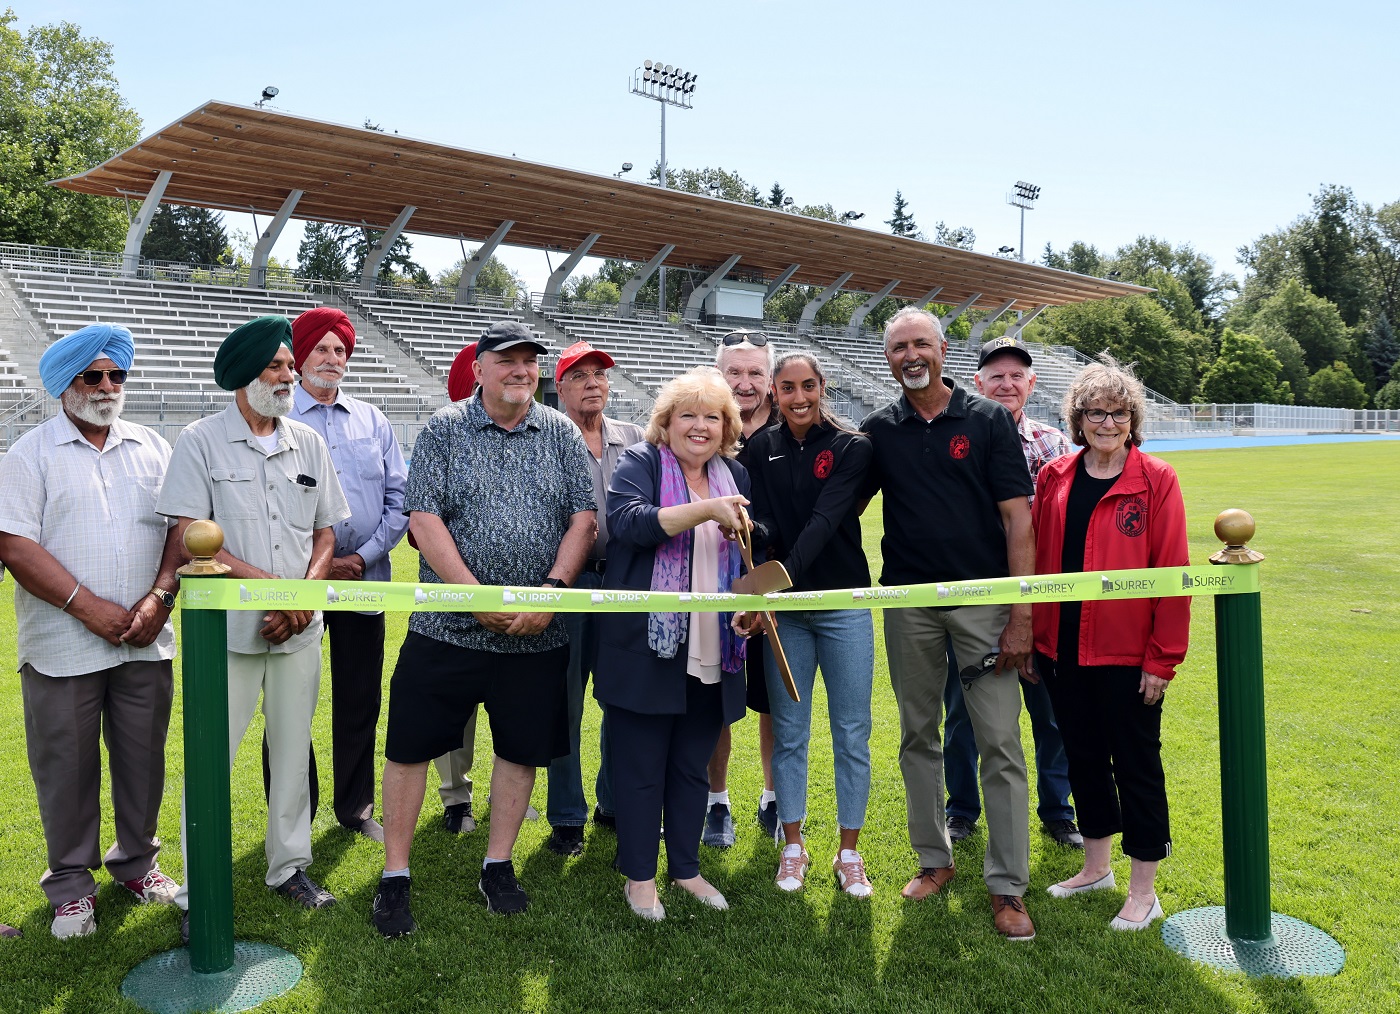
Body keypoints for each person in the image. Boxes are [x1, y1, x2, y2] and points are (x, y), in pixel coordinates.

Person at [371, 321, 595, 937]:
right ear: (478, 368)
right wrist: (471, 597)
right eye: (508, 361)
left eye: (530, 361)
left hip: (537, 633)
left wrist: (554, 595)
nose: (523, 370)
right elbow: (424, 518)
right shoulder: (445, 428)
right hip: (447, 628)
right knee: (409, 748)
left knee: (520, 751)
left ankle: (498, 864)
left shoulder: (559, 433)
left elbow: (582, 517)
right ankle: (395, 874)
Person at [157, 316, 351, 915]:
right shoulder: (199, 440)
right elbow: (190, 531)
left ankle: (288, 868)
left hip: (299, 629)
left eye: (290, 365)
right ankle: (196, 890)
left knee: (293, 753)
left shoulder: (309, 441)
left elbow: (325, 533)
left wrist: (302, 596)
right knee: (212, 756)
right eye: (277, 365)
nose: (290, 375)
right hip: (227, 632)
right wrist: (278, 591)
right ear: (245, 375)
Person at [0, 324, 183, 939]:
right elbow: (15, 545)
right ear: (64, 386)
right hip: (62, 646)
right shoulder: (29, 454)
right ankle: (72, 886)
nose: (107, 386)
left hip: (144, 637)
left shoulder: (153, 446)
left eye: (116, 375)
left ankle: (136, 863)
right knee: (66, 768)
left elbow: (181, 528)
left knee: (143, 760)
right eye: (93, 376)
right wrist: (88, 607)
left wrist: (160, 595)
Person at [861, 306, 1037, 940]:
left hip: (984, 604)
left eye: (921, 344)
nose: (911, 355)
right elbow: (837, 506)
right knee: (917, 735)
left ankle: (1008, 886)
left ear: (941, 349)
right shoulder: (879, 430)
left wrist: (1021, 614)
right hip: (909, 604)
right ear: (888, 358)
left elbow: (1019, 520)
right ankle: (934, 859)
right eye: (899, 347)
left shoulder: (987, 420)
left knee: (1000, 742)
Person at [1032, 359, 1189, 932]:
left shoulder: (1155, 479)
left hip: (1127, 655)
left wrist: (1161, 659)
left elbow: (1172, 571)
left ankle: (1143, 891)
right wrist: (1037, 638)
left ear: (1132, 419)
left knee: (1138, 764)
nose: (1106, 422)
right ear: (1078, 418)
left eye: (1117, 413)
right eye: (1095, 412)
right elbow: (1043, 564)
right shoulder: (1054, 477)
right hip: (1063, 650)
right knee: (1083, 757)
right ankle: (1095, 867)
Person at [595, 367, 756, 921]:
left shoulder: (734, 475)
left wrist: (747, 605)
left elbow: (741, 558)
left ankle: (685, 868)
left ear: (727, 426)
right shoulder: (641, 463)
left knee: (691, 765)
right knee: (640, 768)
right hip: (647, 647)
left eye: (712, 416)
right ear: (666, 422)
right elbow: (629, 524)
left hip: (715, 646)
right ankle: (639, 878)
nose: (700, 425)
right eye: (688, 414)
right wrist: (705, 510)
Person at [942, 335, 1082, 849]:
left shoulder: (1053, 446)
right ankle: (960, 810)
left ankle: (1058, 811)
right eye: (995, 376)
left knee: (1050, 711)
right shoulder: (966, 437)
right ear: (978, 382)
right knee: (961, 713)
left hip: (1037, 598)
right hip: (975, 596)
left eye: (1015, 375)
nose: (1006, 383)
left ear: (1032, 382)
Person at [745, 352, 876, 897]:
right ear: (775, 392)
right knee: (791, 732)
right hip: (787, 616)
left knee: (851, 732)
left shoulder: (852, 447)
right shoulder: (759, 447)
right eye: (788, 388)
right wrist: (749, 529)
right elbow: (768, 520)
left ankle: (849, 852)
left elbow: (828, 519)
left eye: (808, 386)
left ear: (823, 387)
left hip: (843, 604)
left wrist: (780, 575)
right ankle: (793, 847)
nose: (799, 398)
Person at [280, 307, 409, 843]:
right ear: (300, 356)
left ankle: (354, 808)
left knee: (359, 698)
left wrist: (361, 556)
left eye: (340, 351)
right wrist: (314, 563)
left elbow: (399, 501)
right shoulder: (277, 415)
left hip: (363, 578)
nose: (332, 359)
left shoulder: (373, 420)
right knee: (292, 700)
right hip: (294, 581)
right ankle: (294, 812)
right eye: (321, 349)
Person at [544, 341, 645, 855]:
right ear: (559, 387)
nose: (592, 383)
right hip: (571, 580)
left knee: (620, 696)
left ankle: (612, 801)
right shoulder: (545, 438)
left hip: (627, 582)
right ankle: (565, 814)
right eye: (579, 375)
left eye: (600, 375)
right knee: (566, 699)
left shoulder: (635, 438)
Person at [705, 330, 779, 847]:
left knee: (772, 698)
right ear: (719, 376)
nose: (745, 383)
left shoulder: (791, 430)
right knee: (716, 697)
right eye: (735, 372)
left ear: (770, 379)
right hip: (715, 585)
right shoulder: (706, 432)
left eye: (755, 372)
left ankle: (773, 796)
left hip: (775, 586)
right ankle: (717, 800)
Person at [433, 339, 482, 835]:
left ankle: (519, 791)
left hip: (525, 591)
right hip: (455, 594)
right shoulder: (444, 433)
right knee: (455, 703)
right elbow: (422, 521)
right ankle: (455, 797)